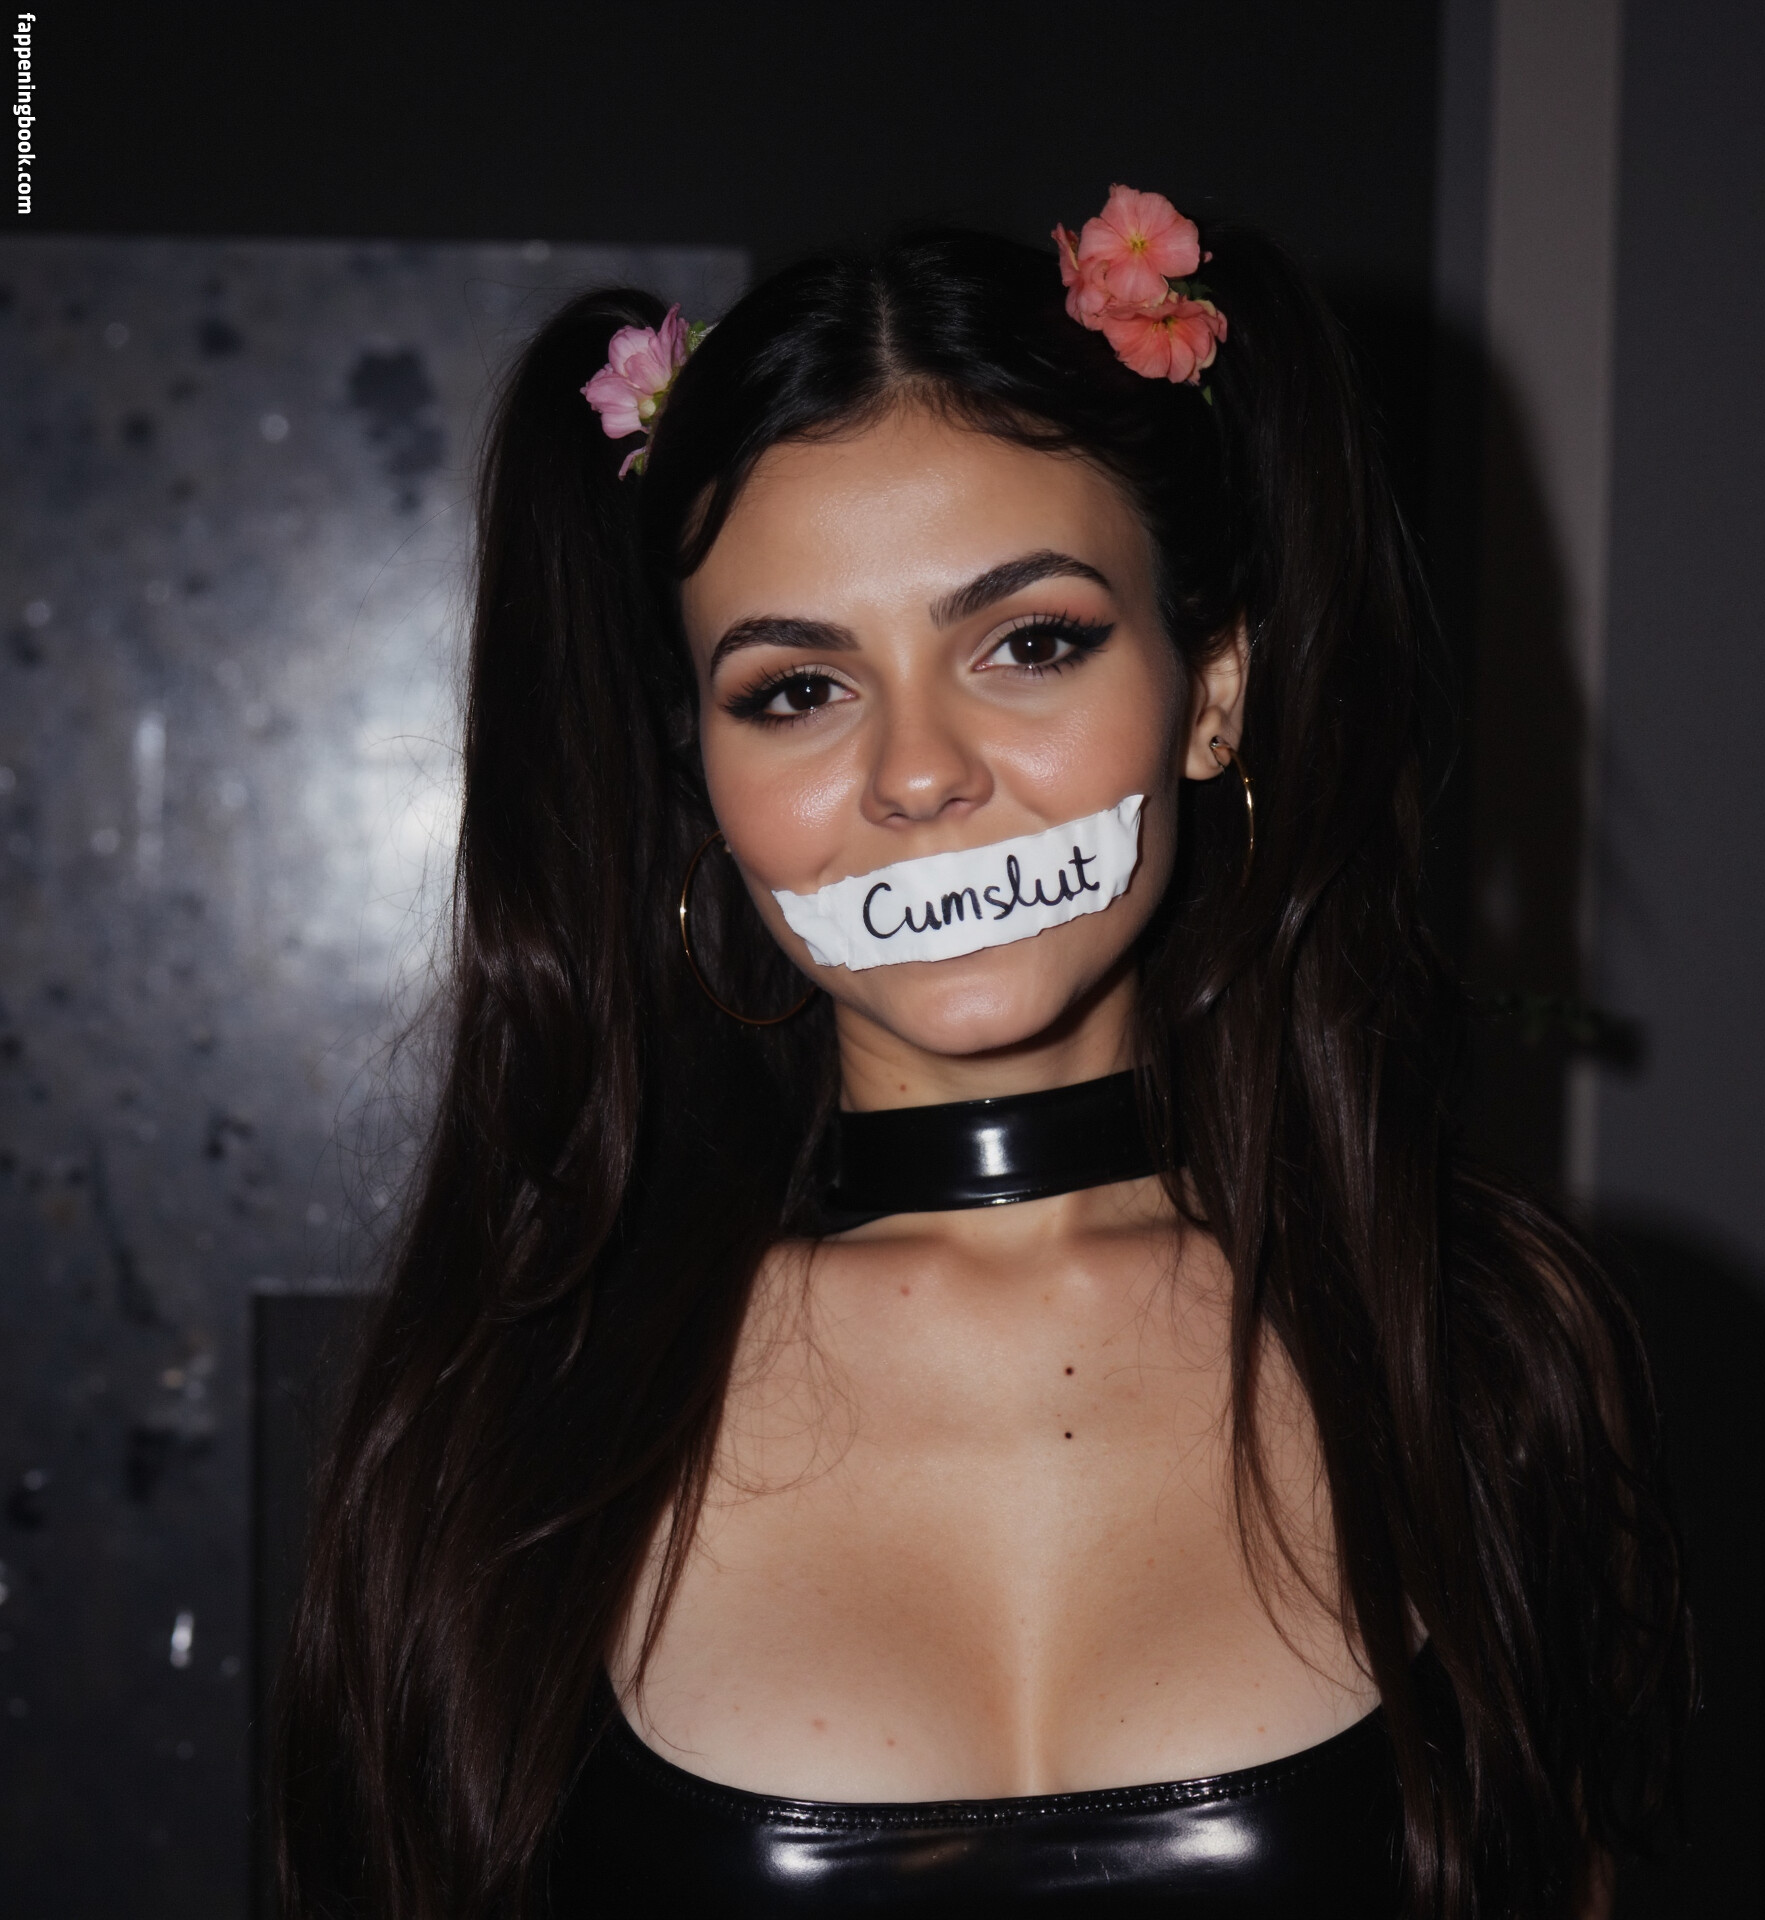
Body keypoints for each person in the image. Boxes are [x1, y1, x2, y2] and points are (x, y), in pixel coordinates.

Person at [276, 188, 1691, 1919]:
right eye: (797, 689)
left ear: (1213, 689)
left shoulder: (1488, 1352)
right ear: (703, 780)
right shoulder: (504, 1415)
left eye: (1030, 643)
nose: (919, 773)